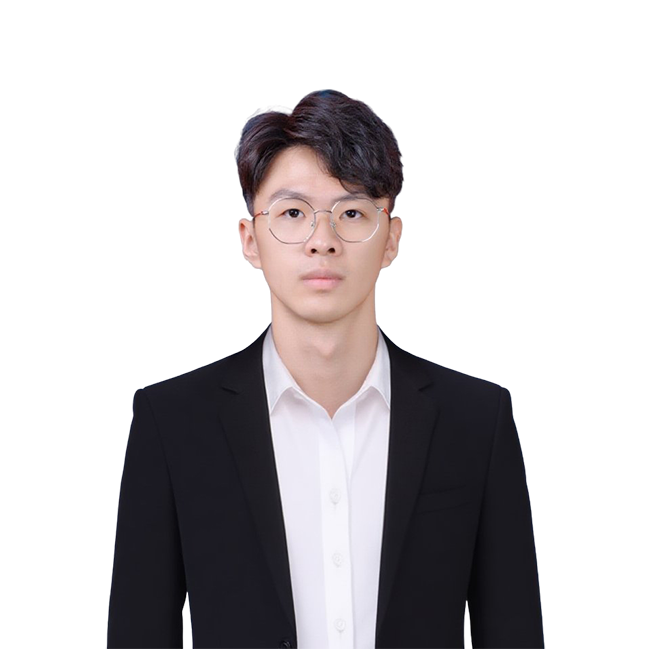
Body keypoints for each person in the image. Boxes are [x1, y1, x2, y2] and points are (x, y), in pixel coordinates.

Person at [106, 90, 545, 649]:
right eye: (292, 213)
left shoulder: (476, 419)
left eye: (352, 213)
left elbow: (512, 631)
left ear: (391, 240)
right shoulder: (173, 422)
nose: (322, 241)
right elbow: (139, 632)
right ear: (250, 240)